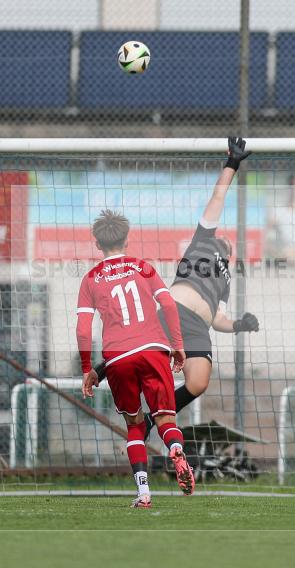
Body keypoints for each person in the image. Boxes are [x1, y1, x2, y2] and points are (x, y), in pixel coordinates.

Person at [94, 137, 260, 436]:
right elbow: (217, 199)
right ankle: (102, 368)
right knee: (136, 347)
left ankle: (151, 420)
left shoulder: (225, 280)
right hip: (175, 312)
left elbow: (218, 319)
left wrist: (239, 325)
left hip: (199, 327)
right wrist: (232, 164)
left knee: (198, 382)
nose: (227, 241)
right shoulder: (203, 241)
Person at [77, 210, 191, 508]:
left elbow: (83, 329)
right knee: (165, 417)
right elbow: (168, 304)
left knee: (135, 425)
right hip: (153, 349)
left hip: (117, 357)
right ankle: (176, 449)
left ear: (97, 243)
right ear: (127, 239)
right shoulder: (143, 268)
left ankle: (143, 493)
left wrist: (88, 369)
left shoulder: (91, 279)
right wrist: (177, 346)